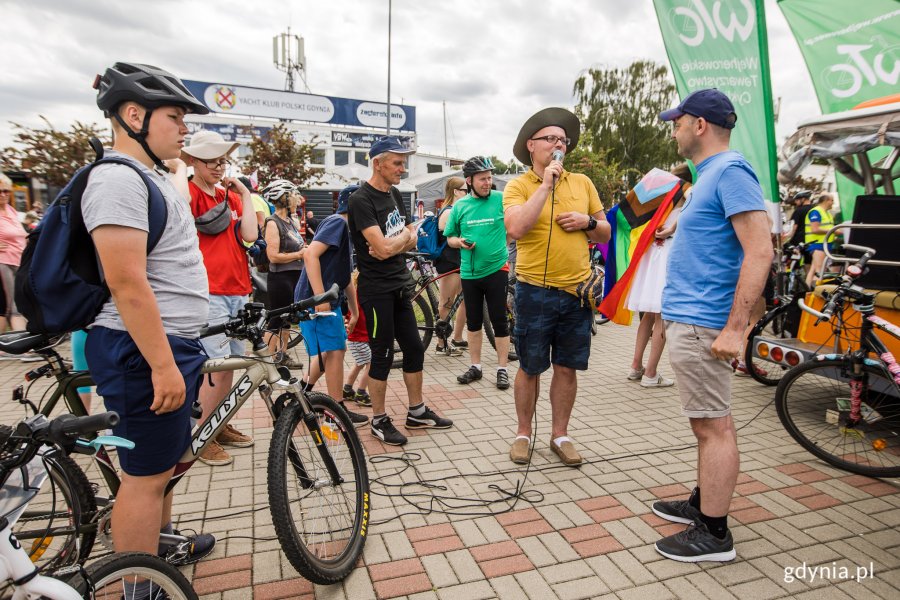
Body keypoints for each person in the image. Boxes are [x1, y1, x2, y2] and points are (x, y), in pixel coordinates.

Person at [84, 61, 214, 565]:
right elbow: (127, 281)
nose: (184, 128)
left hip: (167, 343)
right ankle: (141, 587)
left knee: (162, 465)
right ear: (133, 114)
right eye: (175, 117)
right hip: (141, 349)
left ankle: (161, 548)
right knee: (144, 479)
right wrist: (162, 364)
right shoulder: (117, 179)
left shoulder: (151, 176)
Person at [653, 88, 772, 562]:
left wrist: (736, 327)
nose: (675, 129)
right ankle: (704, 503)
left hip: (707, 323)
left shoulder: (730, 171)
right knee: (707, 424)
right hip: (693, 317)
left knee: (714, 428)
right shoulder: (710, 176)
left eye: (678, 121)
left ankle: (715, 534)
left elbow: (760, 249)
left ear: (699, 125)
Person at [503, 108, 610, 466]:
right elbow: (516, 228)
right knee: (531, 366)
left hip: (577, 291)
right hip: (534, 290)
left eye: (563, 140)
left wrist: (587, 222)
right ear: (531, 145)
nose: (559, 144)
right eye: (551, 138)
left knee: (567, 367)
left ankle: (560, 434)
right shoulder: (519, 186)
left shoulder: (582, 183)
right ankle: (522, 433)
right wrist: (546, 185)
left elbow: (605, 231)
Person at [347, 136, 453, 446]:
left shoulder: (393, 194)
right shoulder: (360, 200)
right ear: (377, 163)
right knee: (380, 355)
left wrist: (396, 244)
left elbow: (409, 236)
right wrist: (398, 242)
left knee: (414, 348)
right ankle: (379, 420)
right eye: (397, 162)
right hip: (376, 290)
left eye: (403, 162)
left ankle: (416, 411)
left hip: (399, 284)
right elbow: (379, 247)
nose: (402, 168)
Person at [182, 129, 257, 467]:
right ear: (194, 161)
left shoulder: (229, 198)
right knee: (216, 367)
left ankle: (218, 424)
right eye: (210, 160)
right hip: (208, 291)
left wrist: (243, 191)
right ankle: (202, 434)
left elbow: (250, 235)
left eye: (222, 160)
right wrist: (177, 170)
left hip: (238, 289)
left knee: (233, 365)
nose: (218, 167)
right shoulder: (189, 192)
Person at [295, 184, 368, 425]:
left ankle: (304, 395)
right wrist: (320, 298)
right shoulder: (338, 222)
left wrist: (354, 311)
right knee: (335, 352)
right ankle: (336, 413)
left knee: (331, 352)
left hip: (329, 299)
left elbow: (345, 276)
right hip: (316, 299)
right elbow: (310, 254)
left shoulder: (348, 231)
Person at [444, 156, 511, 390]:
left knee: (499, 320)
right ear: (469, 180)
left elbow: (514, 226)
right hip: (470, 272)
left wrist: (505, 244)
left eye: (490, 178)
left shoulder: (501, 199)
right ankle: (476, 366)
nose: (487, 182)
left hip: (497, 269)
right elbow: (449, 237)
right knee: (473, 322)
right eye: (483, 179)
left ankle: (502, 369)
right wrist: (459, 242)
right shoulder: (460, 206)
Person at [626, 164, 693, 388]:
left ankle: (636, 366)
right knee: (662, 317)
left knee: (648, 316)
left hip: (651, 256)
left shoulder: (660, 194)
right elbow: (694, 207)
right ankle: (651, 373)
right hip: (669, 256)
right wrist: (674, 226)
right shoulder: (685, 192)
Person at [260, 179, 305, 368]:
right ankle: (269, 360)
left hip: (294, 276)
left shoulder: (291, 222)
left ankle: (282, 355)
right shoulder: (273, 222)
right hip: (281, 278)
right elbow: (273, 256)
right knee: (276, 319)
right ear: (284, 198)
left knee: (287, 318)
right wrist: (300, 254)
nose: (298, 199)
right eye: (295, 195)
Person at [434, 176, 468, 355]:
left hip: (460, 261)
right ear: (456, 192)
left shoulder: (457, 209)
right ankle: (442, 343)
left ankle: (458, 337)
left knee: (464, 299)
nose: (468, 193)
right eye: (465, 190)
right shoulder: (448, 212)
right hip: (449, 262)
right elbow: (448, 239)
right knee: (447, 302)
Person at [0, 172, 27, 333]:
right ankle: (21, 347)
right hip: (4, 263)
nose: (3, 194)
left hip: (19, 261)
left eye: (6, 191)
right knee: (13, 304)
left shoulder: (11, 211)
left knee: (8, 305)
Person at [343, 270, 372, 407]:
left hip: (354, 339)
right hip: (359, 339)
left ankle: (347, 390)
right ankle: (361, 393)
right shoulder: (361, 299)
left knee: (359, 364)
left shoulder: (354, 297)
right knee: (371, 364)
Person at [804, 192, 836, 288]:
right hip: (818, 244)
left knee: (813, 270)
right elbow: (815, 229)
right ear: (826, 200)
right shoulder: (816, 211)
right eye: (832, 200)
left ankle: (807, 291)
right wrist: (834, 231)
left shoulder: (826, 213)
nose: (833, 203)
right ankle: (817, 292)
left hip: (823, 244)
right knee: (819, 270)